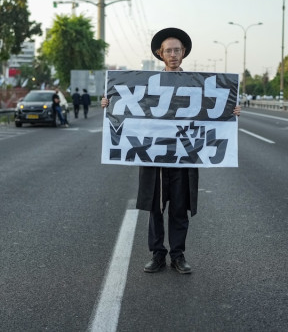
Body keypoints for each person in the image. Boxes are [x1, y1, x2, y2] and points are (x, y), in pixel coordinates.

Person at [101, 27, 241, 275]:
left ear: (184, 52)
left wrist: (232, 110)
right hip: (154, 156)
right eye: (169, 51)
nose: (173, 54)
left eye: (177, 50)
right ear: (160, 53)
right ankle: (157, 254)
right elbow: (127, 108)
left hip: (183, 157)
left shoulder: (198, 87)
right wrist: (108, 103)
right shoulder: (147, 85)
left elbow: (214, 111)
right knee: (155, 207)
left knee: (179, 207)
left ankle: (178, 254)